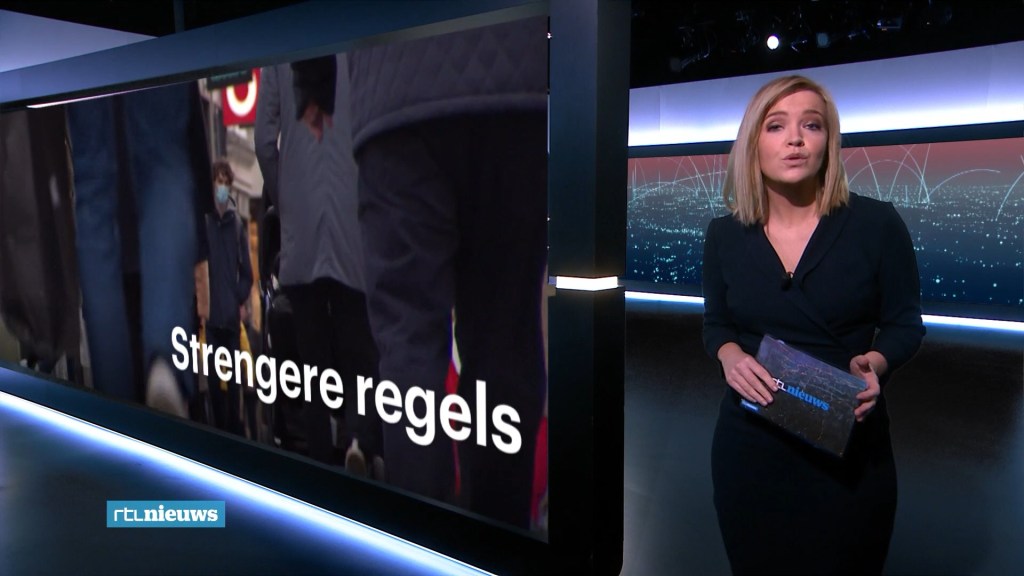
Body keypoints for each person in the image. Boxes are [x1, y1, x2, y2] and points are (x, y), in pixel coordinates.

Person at [292, 15, 549, 529]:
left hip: (395, 88)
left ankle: (423, 542)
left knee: (408, 343)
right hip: (513, 82)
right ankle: (498, 546)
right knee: (505, 338)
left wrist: (314, 81)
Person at [701, 75, 925, 575]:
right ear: (753, 142)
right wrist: (729, 356)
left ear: (829, 140)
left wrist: (877, 362)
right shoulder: (724, 235)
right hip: (751, 448)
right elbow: (716, 324)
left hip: (846, 444)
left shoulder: (877, 225)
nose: (796, 139)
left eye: (812, 125)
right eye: (776, 126)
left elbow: (905, 324)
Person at [255, 55, 383, 473]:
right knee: (359, 349)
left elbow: (263, 140)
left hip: (302, 234)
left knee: (311, 365)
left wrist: (287, 203)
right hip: (352, 222)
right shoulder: (355, 39)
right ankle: (359, 439)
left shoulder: (279, 49)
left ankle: (318, 462)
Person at [204, 159, 253, 435]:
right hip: (210, 319)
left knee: (234, 385)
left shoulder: (236, 225)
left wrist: (238, 298)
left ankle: (234, 431)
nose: (221, 187)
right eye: (218, 182)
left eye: (225, 182)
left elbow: (247, 273)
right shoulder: (205, 222)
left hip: (231, 320)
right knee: (213, 384)